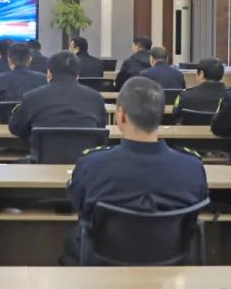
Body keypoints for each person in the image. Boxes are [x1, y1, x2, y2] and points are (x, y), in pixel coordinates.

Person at [62, 77, 208, 265]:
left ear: (121, 115)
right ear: (160, 115)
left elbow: (79, 205)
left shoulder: (92, 164)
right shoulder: (192, 167)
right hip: (172, 267)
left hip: (103, 265)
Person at [9, 52, 108, 140]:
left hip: (43, 154)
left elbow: (16, 128)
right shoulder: (96, 98)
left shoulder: (31, 97)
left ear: (49, 73)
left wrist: (34, 135)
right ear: (78, 75)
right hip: (85, 154)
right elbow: (100, 131)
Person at [0, 42, 47, 123]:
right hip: (34, 126)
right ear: (30, 59)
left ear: (9, 60)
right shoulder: (43, 79)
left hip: (4, 125)